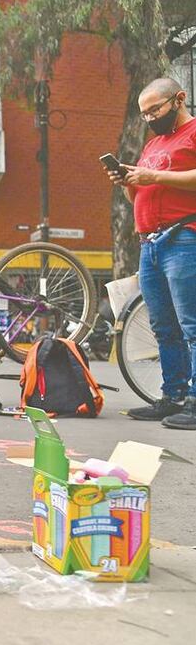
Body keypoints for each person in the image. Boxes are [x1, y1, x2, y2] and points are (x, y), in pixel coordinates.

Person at [106, 77, 196, 429]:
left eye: (155, 110)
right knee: (163, 327)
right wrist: (131, 183)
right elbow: (140, 196)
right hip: (151, 243)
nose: (149, 119)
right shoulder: (153, 144)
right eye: (144, 114)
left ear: (179, 99)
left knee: (192, 326)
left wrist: (153, 177)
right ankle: (173, 396)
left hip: (184, 237)